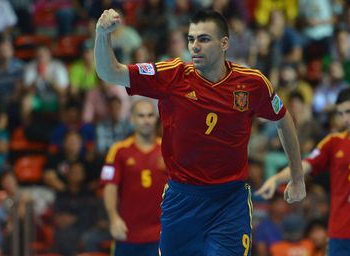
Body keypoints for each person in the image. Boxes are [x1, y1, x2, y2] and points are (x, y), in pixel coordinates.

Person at [95, 9, 305, 255]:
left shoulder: (252, 83)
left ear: (224, 43)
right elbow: (109, 72)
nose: (194, 46)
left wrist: (297, 176)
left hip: (230, 201)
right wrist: (101, 34)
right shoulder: (172, 75)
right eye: (191, 39)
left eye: (203, 39)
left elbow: (283, 119)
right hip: (182, 199)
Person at [257, 88, 350, 256]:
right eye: (340, 113)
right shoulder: (333, 142)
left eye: (349, 111)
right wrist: (276, 179)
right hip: (340, 233)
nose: (345, 118)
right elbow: (303, 165)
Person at [100, 99, 168, 255]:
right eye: (141, 116)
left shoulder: (167, 149)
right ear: (132, 119)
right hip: (126, 233)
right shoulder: (118, 150)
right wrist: (113, 218)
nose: (146, 120)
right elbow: (109, 187)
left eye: (150, 115)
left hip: (161, 235)